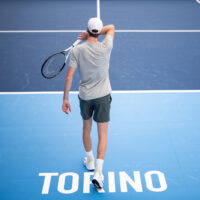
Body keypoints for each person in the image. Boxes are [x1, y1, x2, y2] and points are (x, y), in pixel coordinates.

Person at [62, 17, 115, 189]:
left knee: (86, 127)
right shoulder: (106, 46)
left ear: (86, 29)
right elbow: (111, 27)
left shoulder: (77, 51)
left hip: (85, 97)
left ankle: (90, 160)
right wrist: (91, 33)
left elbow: (69, 76)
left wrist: (65, 98)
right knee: (103, 134)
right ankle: (98, 173)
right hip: (103, 96)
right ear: (98, 32)